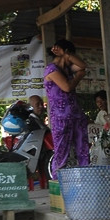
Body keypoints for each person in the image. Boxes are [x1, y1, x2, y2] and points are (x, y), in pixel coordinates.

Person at [44, 39, 90, 175]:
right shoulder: (51, 70)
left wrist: (67, 55)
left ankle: (85, 177)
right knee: (62, 150)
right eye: (71, 55)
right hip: (60, 118)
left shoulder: (67, 69)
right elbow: (67, 87)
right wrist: (78, 77)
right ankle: (58, 181)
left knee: (82, 148)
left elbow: (82, 66)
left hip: (76, 114)